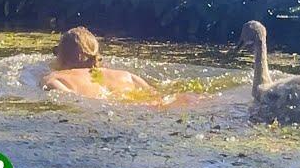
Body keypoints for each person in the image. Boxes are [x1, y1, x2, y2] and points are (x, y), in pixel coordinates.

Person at [41, 26, 200, 108]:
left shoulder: (55, 79)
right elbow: (159, 98)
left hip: (114, 111)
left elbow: (76, 104)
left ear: (61, 55)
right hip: (142, 107)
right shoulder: (127, 75)